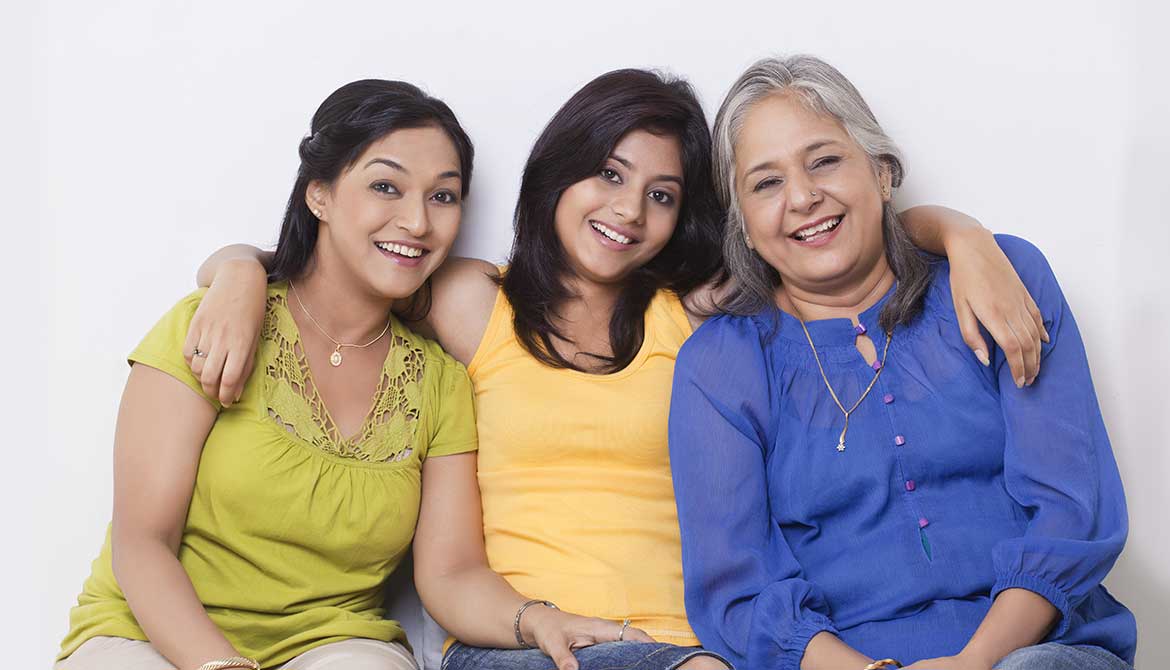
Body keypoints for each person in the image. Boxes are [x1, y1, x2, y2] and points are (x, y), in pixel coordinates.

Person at [191, 68, 1048, 670]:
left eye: (663, 194)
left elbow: (828, 247)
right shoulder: (468, 302)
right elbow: (341, 267)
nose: (629, 211)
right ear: (559, 173)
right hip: (520, 648)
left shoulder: (701, 313)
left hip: (694, 650)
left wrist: (960, 235)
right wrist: (234, 269)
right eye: (608, 174)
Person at [668, 55, 1136, 670]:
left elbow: (1071, 508)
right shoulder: (722, 364)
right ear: (745, 227)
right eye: (766, 183)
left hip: (1035, 651)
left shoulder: (999, 281)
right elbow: (738, 588)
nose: (805, 197)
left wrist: (973, 663)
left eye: (825, 160)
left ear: (882, 173)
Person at [55, 80, 481, 670]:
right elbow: (141, 544)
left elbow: (453, 570)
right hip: (148, 634)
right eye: (386, 186)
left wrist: (539, 619)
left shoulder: (441, 383)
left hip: (335, 644)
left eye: (444, 197)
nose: (417, 221)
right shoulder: (210, 324)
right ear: (320, 196)